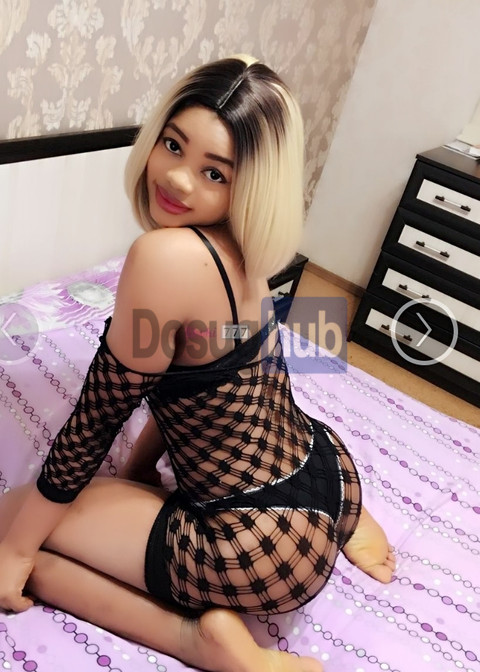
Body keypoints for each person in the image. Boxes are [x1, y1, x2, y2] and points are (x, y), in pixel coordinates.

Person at [0, 55, 395, 672]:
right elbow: (203, 381)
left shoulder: (164, 256)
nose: (179, 180)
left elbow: (95, 420)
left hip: (258, 548)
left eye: (214, 172)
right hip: (325, 473)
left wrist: (17, 549)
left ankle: (202, 644)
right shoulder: (249, 249)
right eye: (172, 145)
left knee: (11, 523)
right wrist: (136, 475)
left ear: (249, 185)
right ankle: (346, 521)